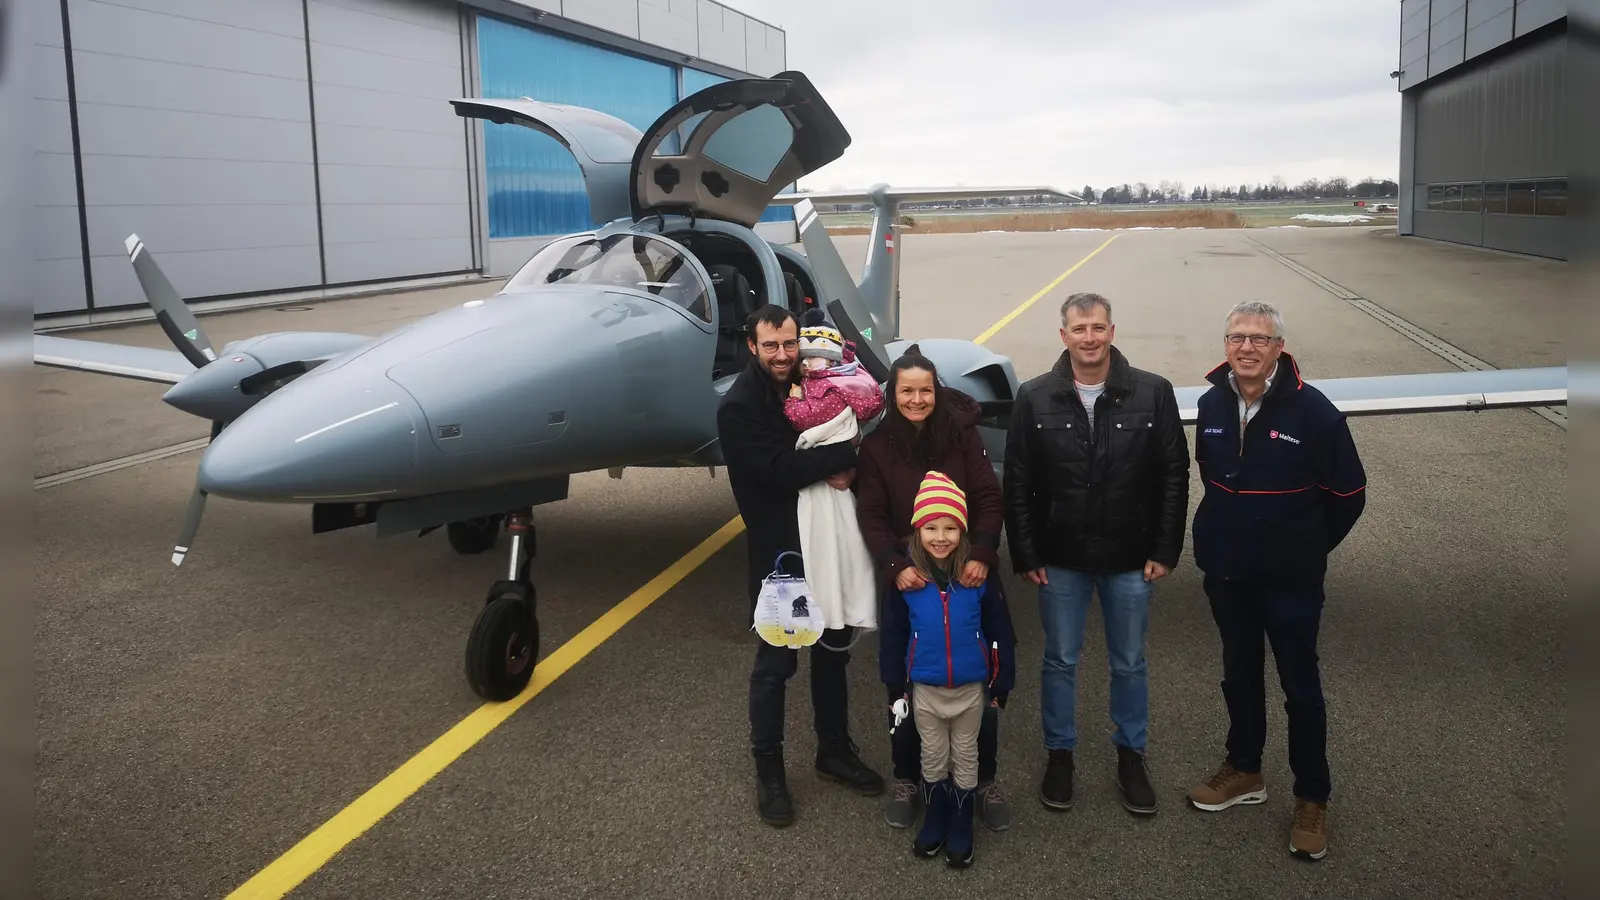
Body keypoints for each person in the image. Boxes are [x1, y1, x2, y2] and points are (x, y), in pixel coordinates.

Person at [1185, 300, 1366, 861]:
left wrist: (1302, 547)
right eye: (1237, 337)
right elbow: (1211, 476)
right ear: (1225, 344)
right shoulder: (1211, 403)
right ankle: (1244, 768)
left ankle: (1312, 796)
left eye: (1259, 339)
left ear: (1279, 348)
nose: (1246, 348)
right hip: (1228, 573)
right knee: (1239, 675)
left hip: (1291, 579)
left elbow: (1348, 496)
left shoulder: (1315, 413)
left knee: (1300, 689)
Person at [1002, 292, 1190, 816]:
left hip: (1131, 557)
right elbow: (1017, 482)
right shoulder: (1033, 397)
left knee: (1129, 662)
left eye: (1098, 327)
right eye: (1079, 329)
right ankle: (1059, 755)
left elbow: (1174, 476)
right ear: (1064, 336)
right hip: (1061, 558)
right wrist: (1026, 552)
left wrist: (1165, 548)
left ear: (1112, 332)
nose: (1089, 338)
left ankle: (1131, 755)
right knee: (1060, 660)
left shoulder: (1153, 392)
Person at [716, 303, 885, 827]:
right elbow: (781, 470)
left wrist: (853, 461)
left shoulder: (817, 379)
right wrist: (848, 453)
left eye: (789, 344)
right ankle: (769, 768)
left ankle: (832, 750)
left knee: (833, 654)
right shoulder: (739, 407)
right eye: (771, 345)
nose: (782, 354)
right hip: (783, 557)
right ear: (752, 346)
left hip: (828, 547)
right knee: (776, 666)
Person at [854, 347, 1012, 831]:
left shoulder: (962, 437)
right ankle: (908, 778)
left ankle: (983, 780)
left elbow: (987, 497)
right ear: (893, 394)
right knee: (903, 681)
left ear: (937, 392)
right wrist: (894, 565)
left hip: (969, 570)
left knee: (979, 679)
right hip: (909, 575)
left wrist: (982, 553)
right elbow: (871, 513)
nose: (917, 400)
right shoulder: (877, 447)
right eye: (907, 391)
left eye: (925, 390)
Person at [879, 472, 1016, 869]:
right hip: (925, 691)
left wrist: (1001, 682)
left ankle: (961, 820)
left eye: (951, 528)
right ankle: (936, 816)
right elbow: (892, 636)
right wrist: (895, 687)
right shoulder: (906, 581)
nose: (941, 537)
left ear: (963, 531)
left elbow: (1000, 631)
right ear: (917, 531)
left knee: (967, 755)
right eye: (931, 528)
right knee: (933, 756)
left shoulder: (978, 577)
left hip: (971, 691)